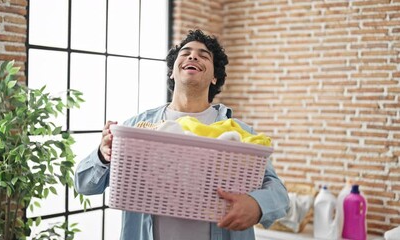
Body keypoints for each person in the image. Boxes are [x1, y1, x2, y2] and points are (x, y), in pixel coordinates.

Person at [75, 29, 289, 240]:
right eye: (185, 53)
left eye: (203, 55)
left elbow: (279, 194)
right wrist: (104, 154)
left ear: (215, 77)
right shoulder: (138, 128)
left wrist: (256, 204)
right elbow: (83, 183)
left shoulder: (239, 133)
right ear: (172, 71)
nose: (193, 55)